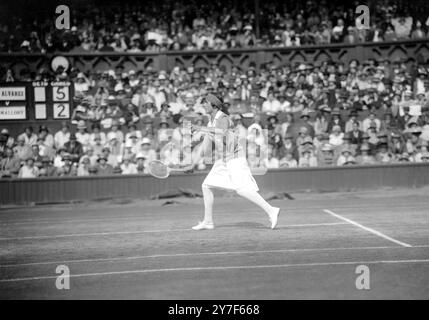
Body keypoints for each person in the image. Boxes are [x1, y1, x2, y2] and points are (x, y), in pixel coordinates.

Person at [188, 93, 280, 230]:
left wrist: (200, 129)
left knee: (242, 190)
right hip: (223, 160)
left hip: (235, 158)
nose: (203, 106)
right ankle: (208, 222)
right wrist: (193, 163)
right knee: (206, 186)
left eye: (205, 103)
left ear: (214, 105)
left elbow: (222, 133)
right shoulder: (210, 122)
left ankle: (271, 210)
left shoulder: (223, 118)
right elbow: (205, 146)